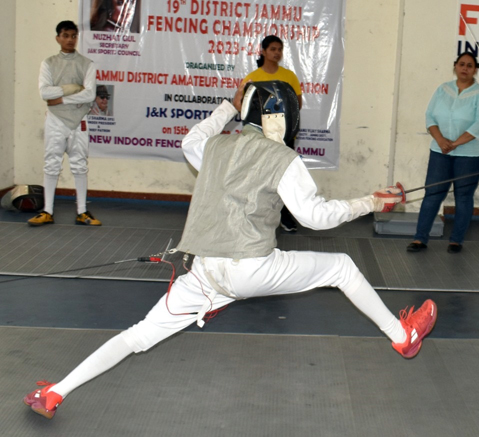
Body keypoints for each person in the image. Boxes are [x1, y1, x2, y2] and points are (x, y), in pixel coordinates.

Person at [23, 80, 438, 420]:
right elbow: (314, 217)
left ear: (248, 111)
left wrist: (227, 105)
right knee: (343, 268)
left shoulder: (215, 147)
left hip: (204, 272)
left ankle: (55, 393)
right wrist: (371, 201)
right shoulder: (283, 157)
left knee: (138, 335)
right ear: (284, 117)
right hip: (251, 268)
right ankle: (403, 336)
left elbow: (191, 140)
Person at [407, 52, 479, 254]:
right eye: (461, 64)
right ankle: (420, 239)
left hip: (470, 155)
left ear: (475, 70)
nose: (465, 68)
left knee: (463, 197)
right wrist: (441, 140)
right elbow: (430, 116)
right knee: (432, 194)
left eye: (469, 65)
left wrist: (454, 143)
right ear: (455, 66)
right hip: (440, 152)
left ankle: (456, 240)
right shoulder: (442, 90)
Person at [28, 21, 101, 227]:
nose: (70, 40)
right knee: (51, 165)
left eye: (73, 36)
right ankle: (47, 211)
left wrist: (60, 97)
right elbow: (44, 92)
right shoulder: (48, 63)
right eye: (65, 35)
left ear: (77, 37)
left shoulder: (87, 64)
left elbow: (89, 94)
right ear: (58, 38)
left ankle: (82, 211)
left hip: (79, 120)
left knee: (79, 166)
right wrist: (71, 88)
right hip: (55, 119)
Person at [243, 35, 303, 232]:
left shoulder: (289, 77)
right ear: (263, 51)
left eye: (279, 49)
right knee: (258, 178)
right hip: (259, 139)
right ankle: (256, 217)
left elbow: (297, 105)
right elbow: (245, 109)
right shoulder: (253, 78)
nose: (276, 53)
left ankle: (285, 217)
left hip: (284, 138)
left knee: (284, 177)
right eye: (272, 49)